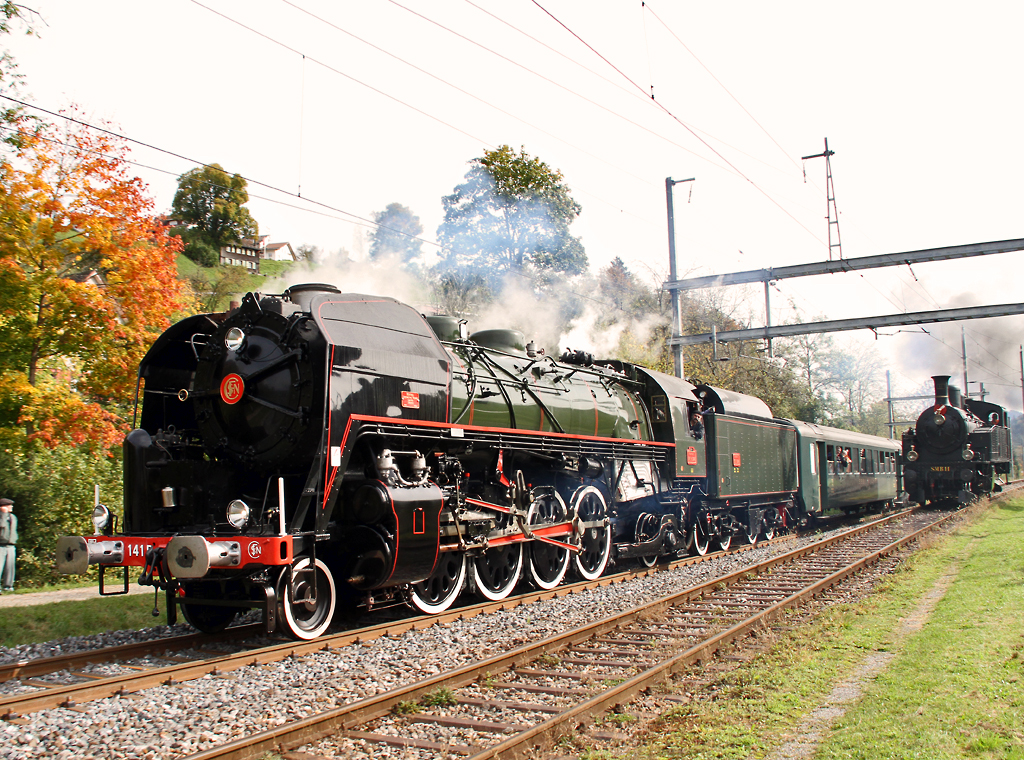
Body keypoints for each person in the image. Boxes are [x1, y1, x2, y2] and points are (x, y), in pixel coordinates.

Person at [0, 497, 16, 592]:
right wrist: (3, 514)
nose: (11, 507)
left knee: (10, 567)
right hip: (0, 544)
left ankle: (8, 586)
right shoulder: (1, 516)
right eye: (9, 505)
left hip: (10, 545)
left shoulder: (13, 517)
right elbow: (1, 526)